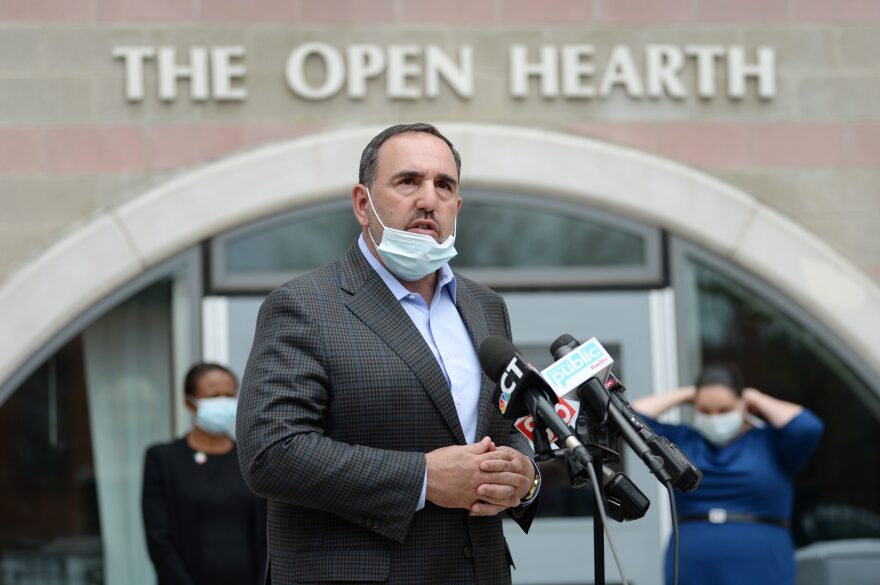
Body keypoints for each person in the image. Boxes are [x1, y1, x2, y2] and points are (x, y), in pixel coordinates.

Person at [236, 123, 541, 585]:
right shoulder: (305, 305)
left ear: (457, 207)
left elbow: (503, 428)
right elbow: (272, 454)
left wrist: (523, 476)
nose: (428, 199)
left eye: (444, 185)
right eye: (408, 181)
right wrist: (422, 478)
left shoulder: (485, 307)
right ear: (364, 203)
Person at [632, 365, 824, 585]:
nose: (714, 418)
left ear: (742, 406)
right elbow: (631, 418)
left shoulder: (771, 443)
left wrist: (756, 397)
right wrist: (686, 394)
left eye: (724, 410)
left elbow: (808, 427)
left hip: (762, 564)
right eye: (704, 410)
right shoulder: (681, 442)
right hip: (692, 564)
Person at [142, 363, 267, 585]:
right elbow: (159, 539)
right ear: (189, 402)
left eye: (229, 395)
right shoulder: (163, 459)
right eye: (213, 395)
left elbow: (267, 536)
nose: (223, 401)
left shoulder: (252, 458)